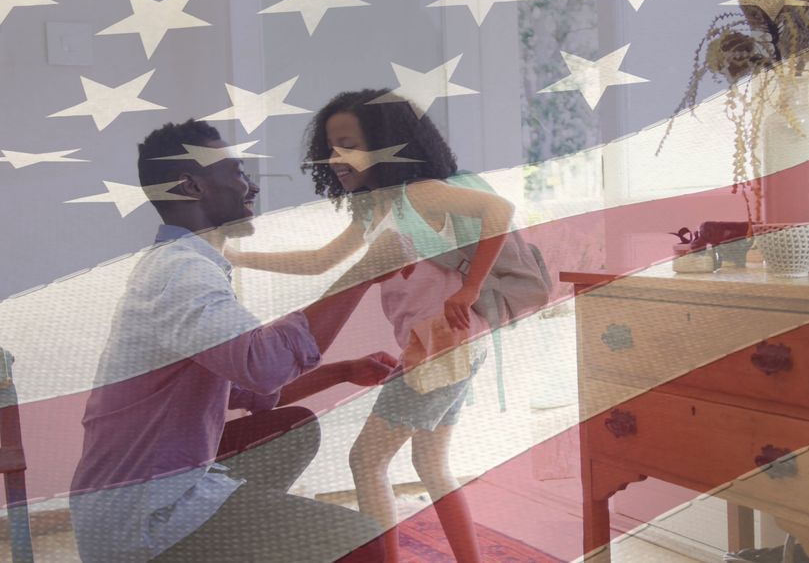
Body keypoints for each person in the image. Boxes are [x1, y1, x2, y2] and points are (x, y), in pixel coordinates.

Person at [69, 119, 393, 562]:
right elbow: (264, 365)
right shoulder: (181, 273)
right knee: (365, 540)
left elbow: (248, 389)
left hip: (133, 498)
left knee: (292, 429)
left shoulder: (182, 265)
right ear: (192, 187)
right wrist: (365, 272)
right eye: (237, 172)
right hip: (142, 520)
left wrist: (342, 372)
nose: (252, 187)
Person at [227, 89, 515, 562]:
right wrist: (240, 256)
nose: (334, 156)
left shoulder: (418, 192)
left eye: (347, 144)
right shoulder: (378, 205)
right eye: (329, 146)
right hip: (454, 344)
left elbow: (498, 210)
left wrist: (468, 290)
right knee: (429, 461)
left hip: (441, 345)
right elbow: (321, 261)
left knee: (366, 460)